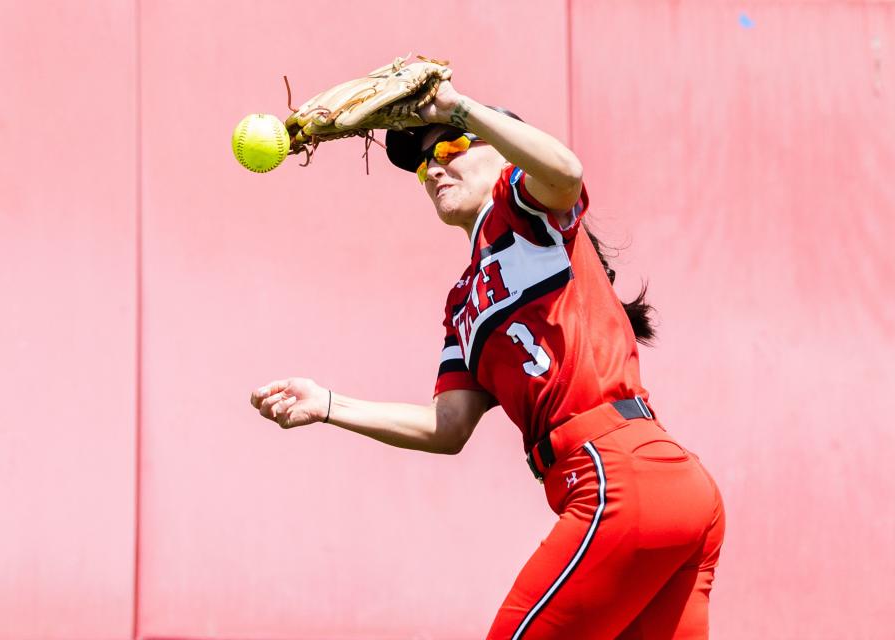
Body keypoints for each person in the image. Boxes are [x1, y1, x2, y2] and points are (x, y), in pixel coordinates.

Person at [251, 79, 725, 639]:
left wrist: (462, 108)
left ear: (501, 152)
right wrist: (328, 404)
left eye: (451, 148)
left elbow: (566, 173)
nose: (433, 169)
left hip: (616, 477)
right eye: (424, 163)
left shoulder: (521, 209)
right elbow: (445, 427)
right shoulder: (462, 302)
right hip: (658, 488)